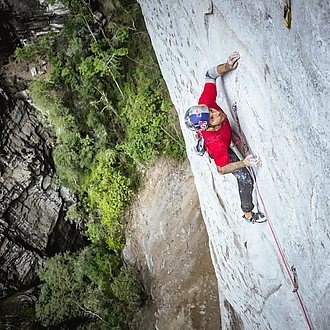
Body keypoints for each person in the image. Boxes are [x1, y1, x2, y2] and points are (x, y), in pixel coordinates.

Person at [184, 51, 265, 223]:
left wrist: (226, 66)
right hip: (222, 147)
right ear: (209, 127)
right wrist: (244, 163)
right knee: (246, 179)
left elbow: (209, 75)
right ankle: (248, 215)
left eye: (211, 111)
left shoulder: (206, 105)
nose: (215, 112)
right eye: (212, 117)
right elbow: (221, 169)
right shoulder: (216, 143)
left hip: (225, 136)